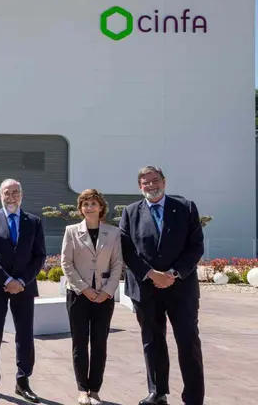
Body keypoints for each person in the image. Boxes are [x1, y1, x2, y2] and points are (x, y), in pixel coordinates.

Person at [119, 166, 205, 405]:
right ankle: (157, 392)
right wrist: (151, 274)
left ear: (164, 182)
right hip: (146, 289)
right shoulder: (130, 212)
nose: (150, 185)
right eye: (145, 182)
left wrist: (173, 273)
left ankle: (194, 396)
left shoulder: (186, 208)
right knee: (152, 341)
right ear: (140, 186)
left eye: (155, 180)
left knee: (188, 341)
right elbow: (127, 249)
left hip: (181, 288)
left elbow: (195, 246)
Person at [0, 179, 45, 403]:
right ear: (0, 195)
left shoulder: (34, 222)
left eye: (15, 192)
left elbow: (40, 256)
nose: (11, 197)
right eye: (7, 193)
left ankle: (23, 381)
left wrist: (21, 281)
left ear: (22, 195)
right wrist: (6, 279)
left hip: (24, 287)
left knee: (25, 335)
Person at [60, 189, 123, 405]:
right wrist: (84, 288)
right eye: (85, 204)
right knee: (79, 343)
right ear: (80, 209)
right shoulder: (71, 231)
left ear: (101, 207)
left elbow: (117, 264)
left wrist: (107, 291)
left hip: (103, 297)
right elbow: (66, 263)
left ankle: (95, 390)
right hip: (78, 295)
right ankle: (82, 389)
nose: (89, 208)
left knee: (99, 343)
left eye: (93, 203)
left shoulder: (113, 233)